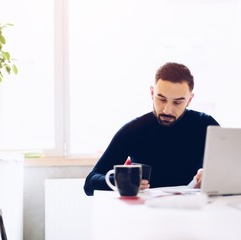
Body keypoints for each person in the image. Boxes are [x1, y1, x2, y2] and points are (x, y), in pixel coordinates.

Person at [84, 62, 220, 196]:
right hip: (145, 214)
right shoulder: (133, 130)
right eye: (161, 99)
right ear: (152, 92)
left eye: (177, 102)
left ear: (189, 100)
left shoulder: (206, 125)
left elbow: (237, 172)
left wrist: (213, 178)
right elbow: (90, 183)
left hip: (196, 212)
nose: (167, 110)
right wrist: (120, 181)